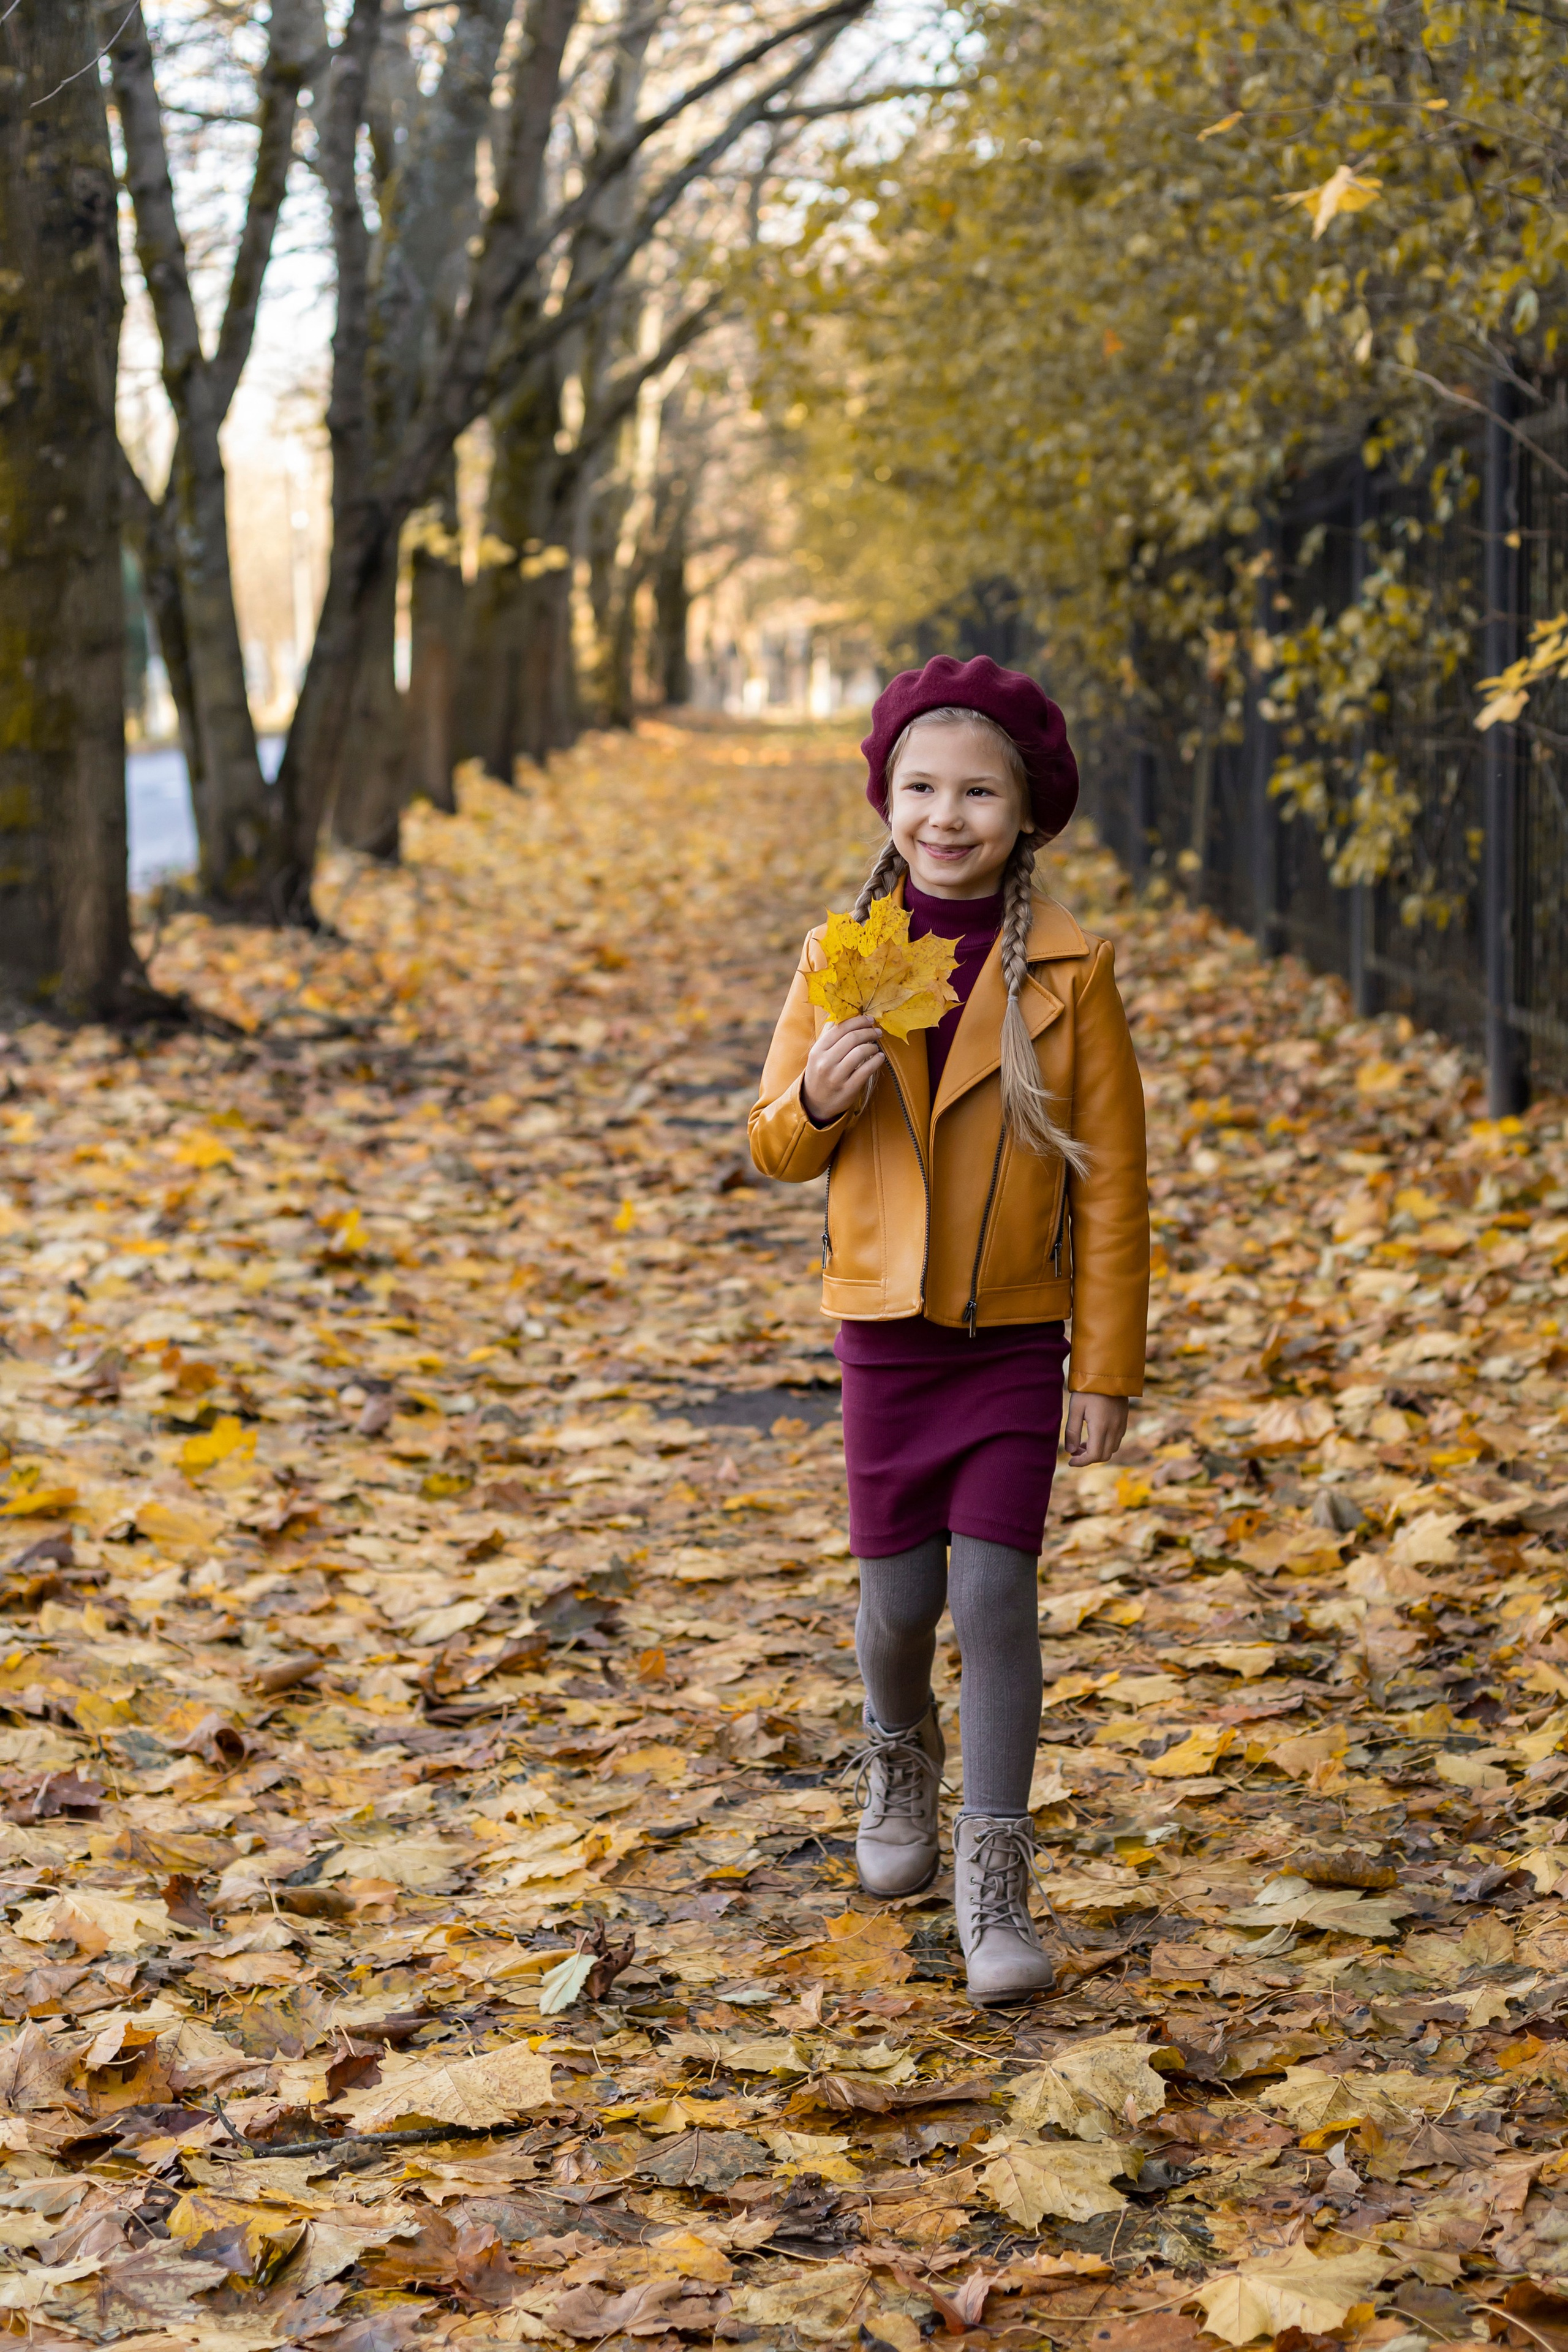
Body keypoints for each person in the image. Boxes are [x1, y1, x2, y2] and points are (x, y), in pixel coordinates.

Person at [748, 655, 1148, 2007]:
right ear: (885, 801)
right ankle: (892, 1751)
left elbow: (1111, 1182)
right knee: (898, 1605)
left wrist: (1104, 1365)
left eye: (978, 790)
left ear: (1026, 812)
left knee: (992, 1597)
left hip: (1012, 1339)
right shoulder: (840, 957)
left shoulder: (1071, 974)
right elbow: (770, 1147)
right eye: (919, 786)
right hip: (884, 1331)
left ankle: (995, 1878)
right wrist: (815, 1091)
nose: (945, 814)